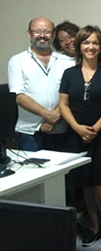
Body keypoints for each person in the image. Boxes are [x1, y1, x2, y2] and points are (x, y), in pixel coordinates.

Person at [58, 25, 101, 246]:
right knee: (85, 181)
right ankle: (93, 224)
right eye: (86, 42)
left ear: (100, 46)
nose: (90, 47)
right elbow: (63, 104)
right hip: (76, 134)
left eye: (94, 42)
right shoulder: (69, 73)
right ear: (79, 46)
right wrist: (77, 127)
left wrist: (94, 128)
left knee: (100, 181)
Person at [7, 17, 74, 152]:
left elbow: (72, 93)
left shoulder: (68, 62)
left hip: (61, 130)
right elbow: (19, 95)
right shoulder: (17, 61)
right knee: (33, 171)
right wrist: (48, 115)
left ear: (53, 35)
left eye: (47, 32)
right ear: (29, 34)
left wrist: (54, 117)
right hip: (30, 132)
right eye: (37, 32)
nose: (42, 36)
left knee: (62, 172)